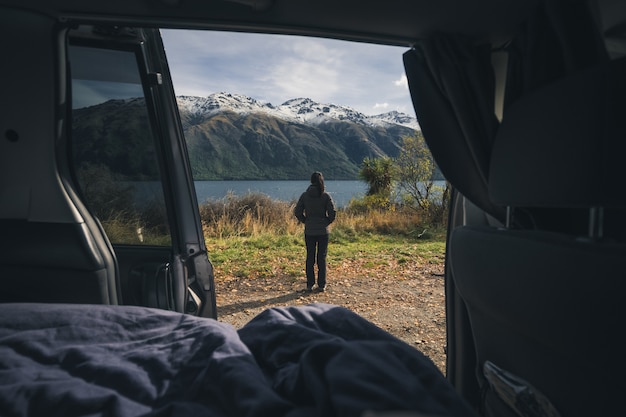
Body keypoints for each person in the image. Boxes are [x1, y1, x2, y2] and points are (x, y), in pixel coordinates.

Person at [294, 172, 336, 292]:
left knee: (310, 257)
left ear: (311, 181)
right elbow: (332, 213)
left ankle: (310, 284)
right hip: (323, 231)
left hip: (310, 230)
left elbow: (297, 212)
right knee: (321, 258)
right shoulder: (325, 196)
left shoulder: (305, 196)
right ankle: (321, 284)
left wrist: (306, 221)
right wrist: (325, 222)